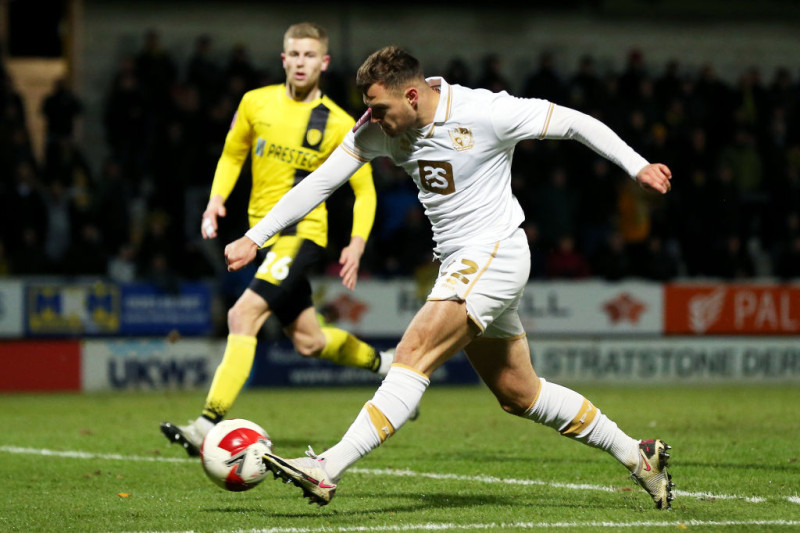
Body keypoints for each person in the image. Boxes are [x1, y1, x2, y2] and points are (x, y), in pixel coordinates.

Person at [224, 46, 675, 509]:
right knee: (519, 394)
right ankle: (637, 455)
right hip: (464, 260)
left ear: (413, 95)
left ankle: (327, 467)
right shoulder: (379, 128)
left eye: (379, 107)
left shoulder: (486, 111)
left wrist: (636, 164)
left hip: (494, 252)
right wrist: (255, 238)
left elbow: (575, 121)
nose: (371, 118)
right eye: (368, 107)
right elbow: (320, 181)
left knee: (412, 351)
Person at [161, 23, 396, 457]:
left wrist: (357, 242)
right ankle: (386, 365)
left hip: (303, 234)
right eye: (295, 54)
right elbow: (232, 154)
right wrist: (215, 202)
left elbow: (365, 190)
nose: (302, 62)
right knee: (310, 341)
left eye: (311, 55)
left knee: (242, 315)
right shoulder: (255, 103)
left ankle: (206, 424)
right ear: (283, 58)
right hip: (264, 237)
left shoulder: (342, 123)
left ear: (323, 62)